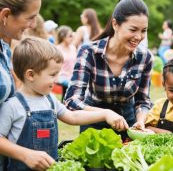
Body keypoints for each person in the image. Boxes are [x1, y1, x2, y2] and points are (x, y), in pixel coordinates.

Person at [0, 37, 128, 170]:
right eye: (52, 75)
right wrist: (26, 155)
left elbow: (73, 117)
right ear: (31, 75)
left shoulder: (49, 100)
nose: (57, 79)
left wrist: (105, 114)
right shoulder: (12, 106)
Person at [64, 0, 152, 140]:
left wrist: (140, 121)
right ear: (115, 24)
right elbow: (72, 101)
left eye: (143, 30)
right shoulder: (90, 52)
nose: (138, 37)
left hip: (128, 124)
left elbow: (143, 100)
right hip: (93, 123)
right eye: (133, 29)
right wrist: (105, 114)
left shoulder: (145, 57)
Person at [0, 0, 43, 170]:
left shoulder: (4, 48)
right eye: (30, 18)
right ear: (5, 15)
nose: (33, 25)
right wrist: (25, 154)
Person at [55, 25, 76, 101]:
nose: (72, 38)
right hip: (61, 77)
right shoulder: (57, 49)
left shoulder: (73, 48)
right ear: (63, 37)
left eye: (72, 35)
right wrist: (56, 78)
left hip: (72, 77)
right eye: (70, 36)